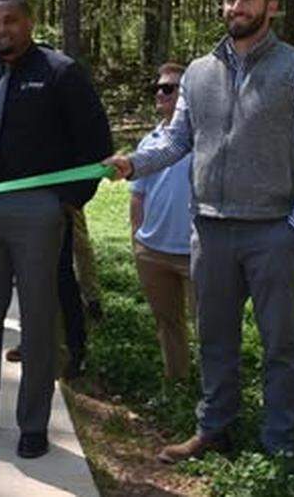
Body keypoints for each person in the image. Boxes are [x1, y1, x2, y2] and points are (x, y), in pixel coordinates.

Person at [106, 0, 294, 463]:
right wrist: (133, 164)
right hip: (210, 229)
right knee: (215, 339)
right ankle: (213, 429)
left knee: (280, 345)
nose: (236, 7)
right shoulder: (199, 73)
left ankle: (280, 444)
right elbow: (178, 142)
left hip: (272, 230)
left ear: (272, 6)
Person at [0, 0, 112, 460]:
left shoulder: (60, 72)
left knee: (37, 319)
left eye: (10, 21)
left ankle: (33, 423)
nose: (2, 30)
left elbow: (96, 141)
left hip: (38, 212)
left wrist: (66, 202)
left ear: (30, 23)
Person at [128, 63, 194, 382]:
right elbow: (137, 196)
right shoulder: (148, 143)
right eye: (158, 88)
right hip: (152, 252)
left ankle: (217, 394)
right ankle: (177, 383)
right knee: (168, 323)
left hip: (196, 252)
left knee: (211, 326)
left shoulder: (203, 139)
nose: (160, 93)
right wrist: (137, 242)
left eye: (168, 88)